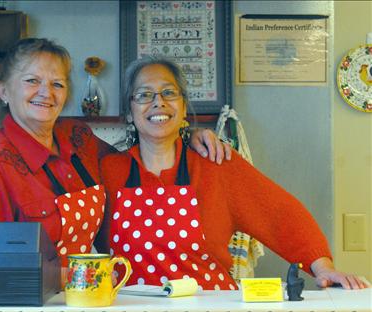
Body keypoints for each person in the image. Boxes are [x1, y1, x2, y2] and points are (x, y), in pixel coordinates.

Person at [97, 56, 368, 290]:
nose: (158, 102)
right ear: (130, 112)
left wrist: (323, 267)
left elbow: (280, 213)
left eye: (169, 92)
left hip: (211, 304)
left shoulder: (217, 165)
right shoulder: (107, 170)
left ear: (182, 106)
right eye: (144, 95)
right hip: (130, 305)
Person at [0, 38, 230, 269]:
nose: (46, 93)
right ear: (3, 90)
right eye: (32, 80)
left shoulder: (78, 138)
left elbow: (134, 162)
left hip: (91, 296)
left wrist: (185, 134)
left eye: (58, 84)